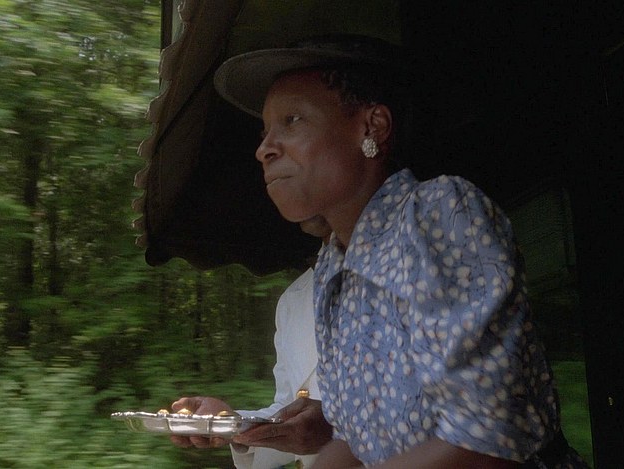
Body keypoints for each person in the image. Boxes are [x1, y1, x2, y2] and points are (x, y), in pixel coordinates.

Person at [212, 34, 589, 469]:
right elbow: (356, 441)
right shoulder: (334, 265)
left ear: (372, 127)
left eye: (292, 121)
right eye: (265, 133)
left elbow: (487, 438)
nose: (265, 149)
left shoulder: (437, 214)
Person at [170, 218, 333, 469]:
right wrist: (233, 423)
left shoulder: (394, 271)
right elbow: (288, 410)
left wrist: (337, 429)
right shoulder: (291, 301)